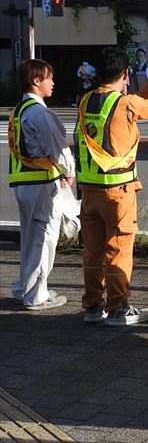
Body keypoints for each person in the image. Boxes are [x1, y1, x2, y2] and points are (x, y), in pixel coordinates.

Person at [75, 48, 148, 326]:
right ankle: (118, 308)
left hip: (89, 190)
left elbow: (134, 101)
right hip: (118, 190)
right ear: (126, 73)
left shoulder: (86, 100)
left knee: (93, 251)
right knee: (119, 249)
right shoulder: (125, 104)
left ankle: (93, 306)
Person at [8, 60, 76, 310]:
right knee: (43, 239)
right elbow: (59, 150)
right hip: (42, 184)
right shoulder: (39, 113)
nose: (53, 82)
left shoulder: (19, 110)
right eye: (49, 78)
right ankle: (37, 295)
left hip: (25, 183)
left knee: (30, 239)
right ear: (36, 81)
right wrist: (69, 172)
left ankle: (24, 287)